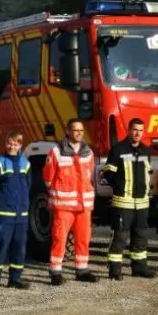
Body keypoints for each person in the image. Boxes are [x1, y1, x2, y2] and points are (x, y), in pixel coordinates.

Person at [42, 118, 99, 285]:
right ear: (67, 131)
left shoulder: (88, 152)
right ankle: (55, 272)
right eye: (76, 130)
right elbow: (48, 177)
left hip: (83, 205)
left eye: (81, 130)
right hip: (64, 205)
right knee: (60, 238)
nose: (79, 133)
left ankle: (82, 269)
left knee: (83, 238)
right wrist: (58, 194)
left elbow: (90, 175)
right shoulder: (56, 151)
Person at [103, 118, 158, 280]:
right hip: (123, 202)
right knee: (120, 236)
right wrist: (119, 188)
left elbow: (149, 175)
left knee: (141, 236)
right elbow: (108, 173)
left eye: (140, 130)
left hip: (142, 202)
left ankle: (139, 268)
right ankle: (114, 271)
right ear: (128, 130)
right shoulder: (118, 149)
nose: (137, 133)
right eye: (135, 130)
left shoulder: (147, 151)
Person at [0, 131, 31, 290]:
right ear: (6, 144)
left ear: (20, 145)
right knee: (1, 246)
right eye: (10, 143)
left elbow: (28, 186)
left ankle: (15, 279)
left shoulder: (26, 163)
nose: (12, 146)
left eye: (16, 144)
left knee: (19, 247)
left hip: (21, 215)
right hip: (4, 214)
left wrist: (24, 204)